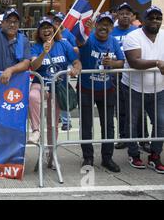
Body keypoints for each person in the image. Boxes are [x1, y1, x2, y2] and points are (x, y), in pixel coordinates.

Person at [29, 18, 81, 169]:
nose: (46, 31)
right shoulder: (36, 47)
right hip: (40, 84)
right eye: (43, 28)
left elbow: (76, 61)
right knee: (32, 96)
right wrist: (43, 53)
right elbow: (33, 66)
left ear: (54, 30)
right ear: (38, 32)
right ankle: (36, 130)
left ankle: (52, 153)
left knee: (53, 122)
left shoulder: (63, 44)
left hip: (58, 87)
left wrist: (76, 68)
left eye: (49, 28)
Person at [78, 12, 124, 172]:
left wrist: (113, 63)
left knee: (108, 125)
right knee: (86, 125)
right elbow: (79, 42)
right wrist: (85, 31)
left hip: (107, 89)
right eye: (101, 23)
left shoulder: (113, 41)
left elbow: (121, 62)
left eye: (108, 24)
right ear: (96, 25)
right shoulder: (88, 38)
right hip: (86, 89)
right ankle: (88, 158)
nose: (104, 27)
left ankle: (107, 158)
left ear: (112, 27)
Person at [121, 6, 164, 173]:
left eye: (158, 18)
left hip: (159, 89)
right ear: (144, 20)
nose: (155, 21)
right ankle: (134, 153)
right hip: (134, 88)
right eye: (151, 17)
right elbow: (135, 62)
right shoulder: (133, 36)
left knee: (161, 122)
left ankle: (155, 155)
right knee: (132, 122)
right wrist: (157, 63)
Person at [110, 3, 147, 151]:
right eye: (122, 13)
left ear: (132, 16)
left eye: (128, 13)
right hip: (118, 75)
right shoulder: (111, 32)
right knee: (121, 108)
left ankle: (143, 138)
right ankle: (124, 137)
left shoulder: (139, 31)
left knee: (140, 108)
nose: (125, 15)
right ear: (117, 16)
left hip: (135, 75)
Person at [52, 12, 78, 131]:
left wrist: (71, 48)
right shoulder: (51, 34)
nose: (57, 23)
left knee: (62, 95)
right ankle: (58, 118)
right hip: (52, 67)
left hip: (65, 66)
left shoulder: (68, 34)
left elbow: (76, 48)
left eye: (59, 21)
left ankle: (66, 121)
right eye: (55, 21)